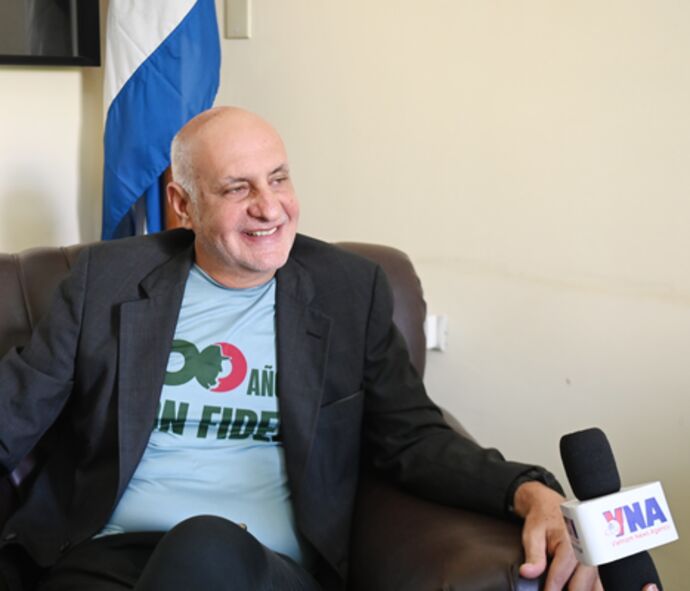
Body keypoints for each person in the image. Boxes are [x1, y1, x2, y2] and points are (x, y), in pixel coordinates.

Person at [0, 107, 655, 591]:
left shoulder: (348, 291)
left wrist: (528, 489)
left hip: (264, 567)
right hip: (106, 558)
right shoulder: (107, 282)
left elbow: (414, 437)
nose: (270, 208)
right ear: (183, 203)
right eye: (237, 188)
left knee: (203, 544)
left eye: (278, 178)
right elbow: (15, 411)